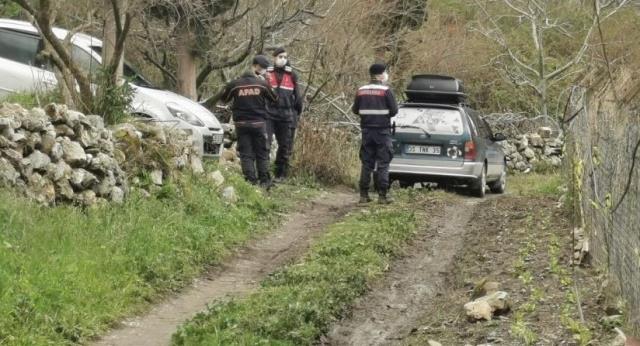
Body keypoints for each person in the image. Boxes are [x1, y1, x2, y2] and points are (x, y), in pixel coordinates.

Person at [221, 55, 278, 188]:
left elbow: (224, 99)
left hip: (241, 124)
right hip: (259, 124)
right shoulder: (262, 84)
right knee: (262, 153)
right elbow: (275, 99)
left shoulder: (235, 84)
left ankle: (251, 181)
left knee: (246, 153)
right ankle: (264, 181)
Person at [352, 63, 398, 204]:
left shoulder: (361, 90)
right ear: (380, 75)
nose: (386, 75)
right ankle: (382, 196)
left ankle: (363, 195)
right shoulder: (386, 91)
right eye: (385, 72)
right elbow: (394, 110)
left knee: (366, 163)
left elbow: (355, 110)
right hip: (382, 132)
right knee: (383, 163)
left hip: (366, 131)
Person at [265, 47, 304, 181]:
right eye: (280, 56)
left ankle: (281, 174)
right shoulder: (267, 74)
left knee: (285, 145)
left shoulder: (292, 75)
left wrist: (297, 112)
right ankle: (264, 173)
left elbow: (297, 97)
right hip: (269, 113)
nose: (283, 59)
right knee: (266, 143)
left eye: (285, 57)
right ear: (274, 58)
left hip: (286, 114)